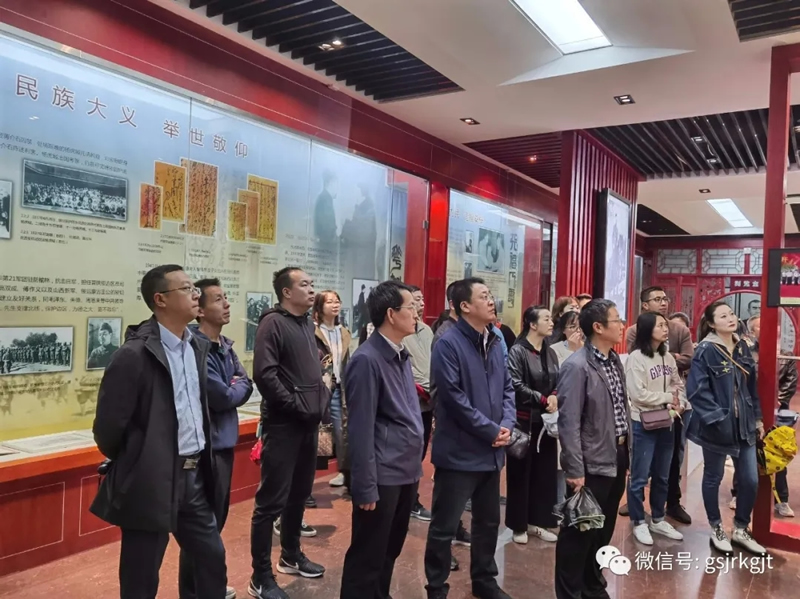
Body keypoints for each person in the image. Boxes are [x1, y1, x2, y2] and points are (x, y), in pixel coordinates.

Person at [90, 265, 227, 599]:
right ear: (160, 300)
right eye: (187, 289)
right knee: (141, 575)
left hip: (194, 476)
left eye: (195, 289)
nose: (195, 295)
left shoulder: (196, 346)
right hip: (150, 480)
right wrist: (142, 457)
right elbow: (108, 429)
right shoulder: (134, 355)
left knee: (212, 559)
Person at [424, 277, 516, 599]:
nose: (491, 301)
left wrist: (506, 424)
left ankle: (484, 581)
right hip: (459, 453)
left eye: (491, 295)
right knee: (444, 526)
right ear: (464, 306)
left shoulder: (495, 340)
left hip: (491, 452)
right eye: (484, 296)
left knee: (488, 522)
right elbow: (452, 398)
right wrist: (491, 430)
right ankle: (437, 588)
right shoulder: (448, 343)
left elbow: (507, 388)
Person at [339, 280, 424, 598]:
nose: (416, 313)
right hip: (382, 475)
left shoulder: (400, 354)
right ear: (391, 314)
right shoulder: (367, 359)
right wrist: (364, 485)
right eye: (410, 307)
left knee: (389, 550)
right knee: (368, 557)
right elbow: (360, 429)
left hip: (405, 471)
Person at [249, 267, 328, 599]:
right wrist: (295, 405)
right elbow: (265, 375)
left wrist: (319, 400)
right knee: (270, 503)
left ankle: (291, 555)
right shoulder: (272, 323)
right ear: (286, 292)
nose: (312, 290)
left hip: (308, 423)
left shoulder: (306, 324)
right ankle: (260, 576)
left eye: (312, 284)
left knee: (299, 494)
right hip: (284, 425)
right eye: (304, 284)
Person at [181, 278, 254, 599]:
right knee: (203, 530)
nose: (226, 304)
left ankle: (201, 587)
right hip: (205, 449)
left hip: (223, 444)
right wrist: (235, 385)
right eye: (218, 300)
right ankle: (197, 590)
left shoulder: (223, 345)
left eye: (226, 298)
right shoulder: (196, 348)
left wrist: (236, 384)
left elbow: (245, 382)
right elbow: (222, 395)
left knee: (213, 523)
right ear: (200, 310)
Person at [555, 299, 628, 599]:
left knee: (602, 531)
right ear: (598, 327)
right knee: (578, 534)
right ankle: (570, 592)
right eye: (616, 319)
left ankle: (592, 586)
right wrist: (575, 469)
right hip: (590, 462)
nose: (622, 325)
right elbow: (568, 422)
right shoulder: (577, 366)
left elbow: (621, 409)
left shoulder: (614, 360)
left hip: (616, 455)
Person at [686, 301, 766, 556]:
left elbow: (751, 388)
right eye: (723, 316)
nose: (731, 318)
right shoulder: (706, 350)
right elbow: (696, 390)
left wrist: (758, 419)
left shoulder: (743, 346)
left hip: (745, 425)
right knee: (713, 477)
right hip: (717, 428)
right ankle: (717, 527)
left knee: (750, 479)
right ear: (711, 324)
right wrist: (718, 419)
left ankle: (741, 529)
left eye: (731, 314)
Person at [622, 286, 694, 524]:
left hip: (669, 418)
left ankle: (660, 516)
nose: (666, 329)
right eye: (661, 326)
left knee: (665, 471)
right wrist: (667, 397)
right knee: (640, 474)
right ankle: (638, 520)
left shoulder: (668, 355)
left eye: (665, 298)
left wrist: (679, 402)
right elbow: (638, 393)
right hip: (643, 420)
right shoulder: (636, 356)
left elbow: (680, 378)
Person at [506, 306, 559, 545]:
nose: (551, 322)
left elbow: (558, 379)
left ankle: (538, 522)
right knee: (520, 475)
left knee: (544, 475)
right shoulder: (518, 351)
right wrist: (543, 399)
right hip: (524, 423)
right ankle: (518, 525)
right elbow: (515, 384)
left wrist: (555, 396)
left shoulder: (550, 351)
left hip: (547, 424)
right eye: (546, 318)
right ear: (532, 324)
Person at [314, 290, 352, 492]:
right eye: (329, 302)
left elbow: (347, 361)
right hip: (320, 388)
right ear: (320, 307)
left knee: (342, 430)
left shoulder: (343, 332)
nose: (335, 305)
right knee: (318, 431)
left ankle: (344, 471)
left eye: (337, 301)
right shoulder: (313, 332)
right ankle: (309, 479)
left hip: (339, 388)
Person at [404, 285, 435, 521]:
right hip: (410, 401)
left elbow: (433, 363)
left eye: (422, 299)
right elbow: (407, 368)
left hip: (428, 403)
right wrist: (426, 386)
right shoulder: (400, 331)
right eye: (415, 300)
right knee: (408, 452)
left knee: (420, 451)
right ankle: (407, 500)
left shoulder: (426, 330)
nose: (421, 304)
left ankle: (410, 498)